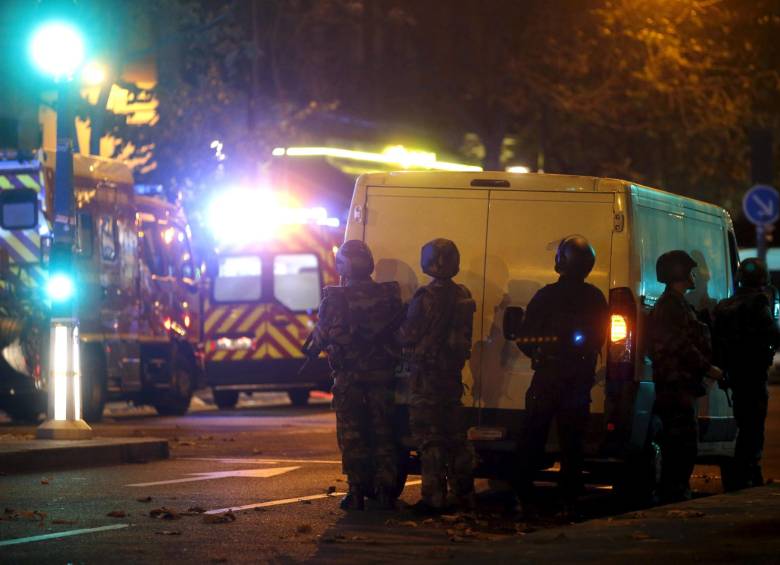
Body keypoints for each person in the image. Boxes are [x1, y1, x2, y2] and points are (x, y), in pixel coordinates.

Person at [514, 235, 609, 517]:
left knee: (532, 437)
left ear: (561, 262)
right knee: (572, 443)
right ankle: (568, 500)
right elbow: (599, 338)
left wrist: (540, 353)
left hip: (548, 377)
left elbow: (525, 336)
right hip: (577, 379)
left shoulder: (546, 296)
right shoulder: (595, 297)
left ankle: (524, 497)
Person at [310, 239, 404, 511]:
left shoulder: (335, 298)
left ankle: (357, 491)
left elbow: (320, 337)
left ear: (344, 266)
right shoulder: (389, 296)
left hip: (349, 378)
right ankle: (386, 490)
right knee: (383, 431)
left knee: (352, 434)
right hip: (382, 376)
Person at [399, 238, 476, 514]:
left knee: (430, 438)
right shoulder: (463, 295)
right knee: (456, 436)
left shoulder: (424, 297)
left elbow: (408, 334)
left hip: (427, 377)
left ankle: (434, 498)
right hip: (451, 376)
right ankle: (464, 494)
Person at [648, 250, 722, 502]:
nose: (693, 276)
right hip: (675, 386)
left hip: (680, 384)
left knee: (681, 442)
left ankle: (675, 490)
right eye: (689, 271)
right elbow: (679, 343)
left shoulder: (677, 304)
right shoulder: (670, 305)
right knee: (681, 443)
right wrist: (707, 367)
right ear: (678, 272)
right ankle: (674, 492)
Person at [713, 258, 779, 489]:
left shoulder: (725, 305)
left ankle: (742, 475)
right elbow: (773, 333)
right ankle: (747, 475)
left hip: (733, 373)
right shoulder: (759, 303)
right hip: (753, 373)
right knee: (753, 428)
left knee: (743, 424)